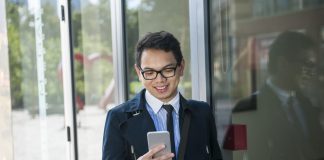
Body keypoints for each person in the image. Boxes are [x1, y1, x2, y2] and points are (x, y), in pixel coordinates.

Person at [102, 31, 223, 160]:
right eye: (149, 72)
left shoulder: (202, 112)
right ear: (138, 72)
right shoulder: (118, 117)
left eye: (168, 70)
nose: (159, 79)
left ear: (181, 67)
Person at [232, 31, 324, 160]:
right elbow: (233, 155)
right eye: (307, 64)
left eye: (314, 66)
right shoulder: (245, 110)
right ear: (283, 63)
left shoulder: (307, 104)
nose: (311, 72)